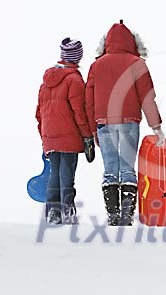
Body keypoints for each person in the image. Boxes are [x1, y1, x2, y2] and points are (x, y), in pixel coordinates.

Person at [85, 20, 165, 226]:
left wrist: (93, 129)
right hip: (130, 122)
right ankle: (126, 216)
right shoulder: (137, 63)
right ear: (133, 42)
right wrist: (156, 127)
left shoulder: (96, 65)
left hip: (104, 123)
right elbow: (147, 97)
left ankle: (113, 215)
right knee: (128, 168)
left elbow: (89, 101)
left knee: (110, 168)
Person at [36, 38, 95, 225]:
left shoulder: (45, 83)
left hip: (50, 136)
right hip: (69, 135)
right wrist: (87, 136)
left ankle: (53, 211)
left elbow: (39, 114)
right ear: (77, 57)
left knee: (55, 173)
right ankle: (67, 210)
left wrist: (44, 138)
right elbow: (80, 112)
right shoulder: (74, 80)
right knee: (67, 174)